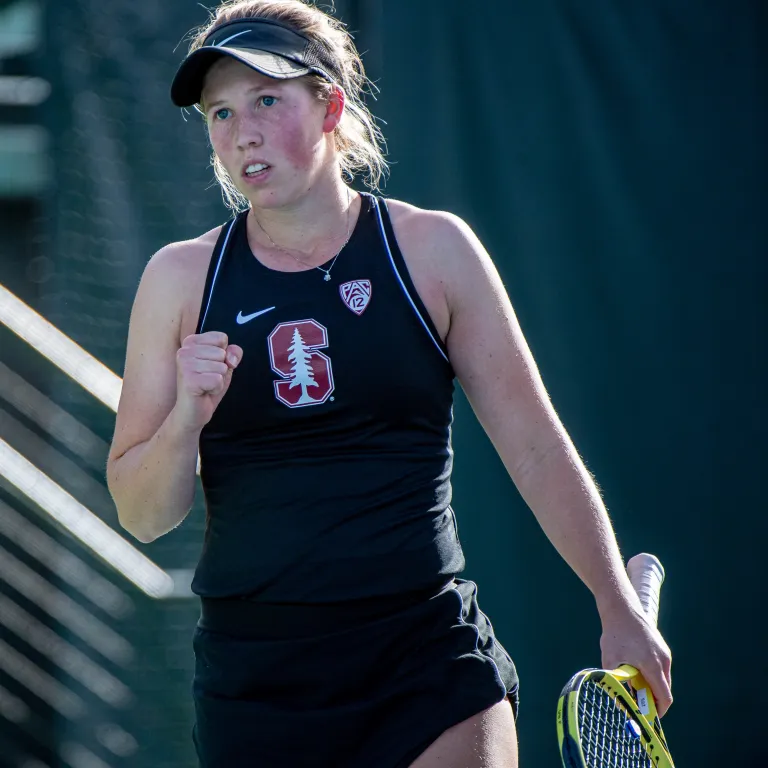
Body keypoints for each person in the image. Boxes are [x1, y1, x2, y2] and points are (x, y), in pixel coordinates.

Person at [106, 1, 673, 766]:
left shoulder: (434, 251)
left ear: (332, 105)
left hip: (425, 659)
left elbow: (535, 445)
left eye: (268, 100)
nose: (242, 132)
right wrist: (184, 419)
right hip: (255, 680)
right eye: (220, 112)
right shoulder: (179, 279)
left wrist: (615, 603)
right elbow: (143, 513)